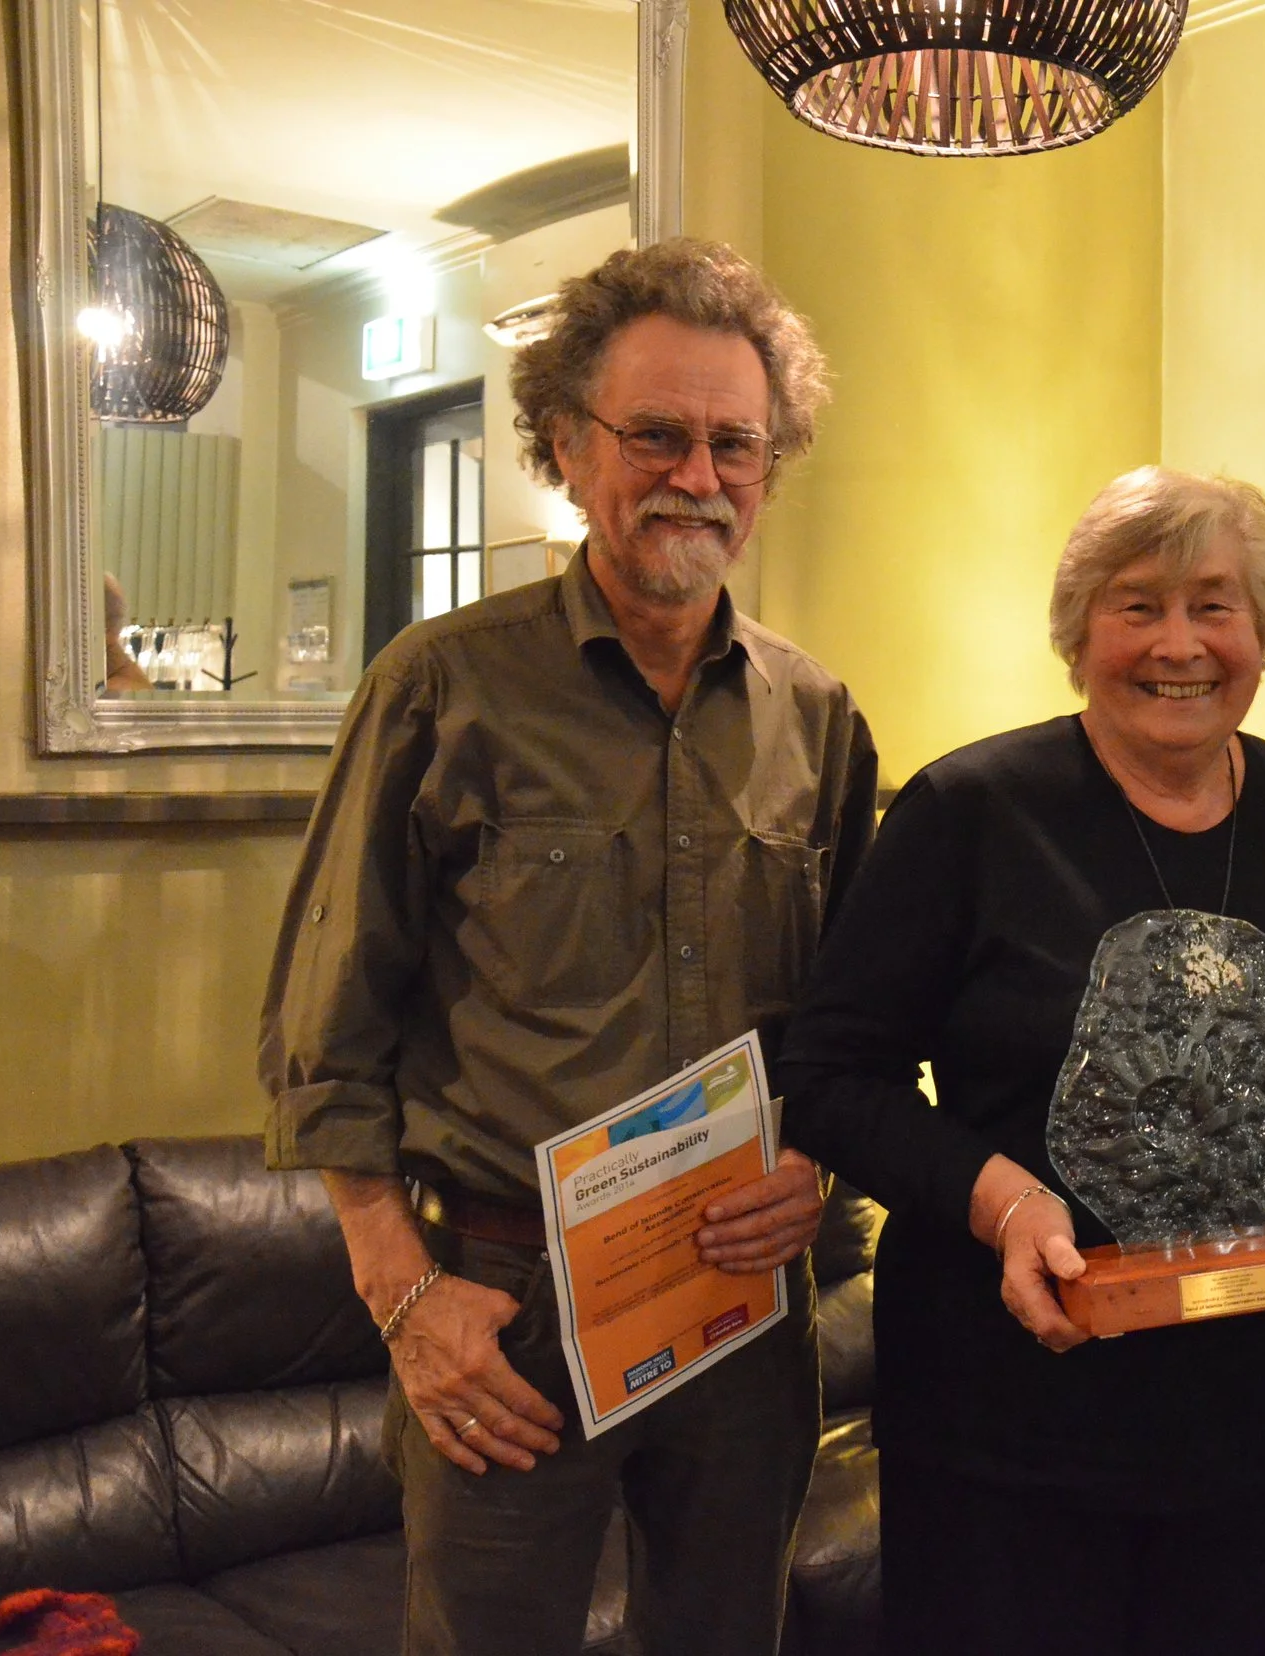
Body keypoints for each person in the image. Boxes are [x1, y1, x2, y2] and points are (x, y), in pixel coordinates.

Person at [258, 239, 878, 1656]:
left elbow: (854, 1017)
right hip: (506, 1308)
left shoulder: (817, 714)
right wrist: (404, 1297)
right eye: (657, 434)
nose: (699, 475)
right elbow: (322, 1030)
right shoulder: (444, 686)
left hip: (742, 1298)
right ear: (563, 444)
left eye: (737, 442)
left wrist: (817, 1162)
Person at [778, 467, 1265, 1656]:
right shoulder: (967, 814)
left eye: (1215, 605)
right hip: (1004, 1427)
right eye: (1137, 605)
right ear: (1080, 633)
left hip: (1255, 1427)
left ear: (1264, 635)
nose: (1177, 643)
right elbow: (829, 1076)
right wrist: (1001, 1197)